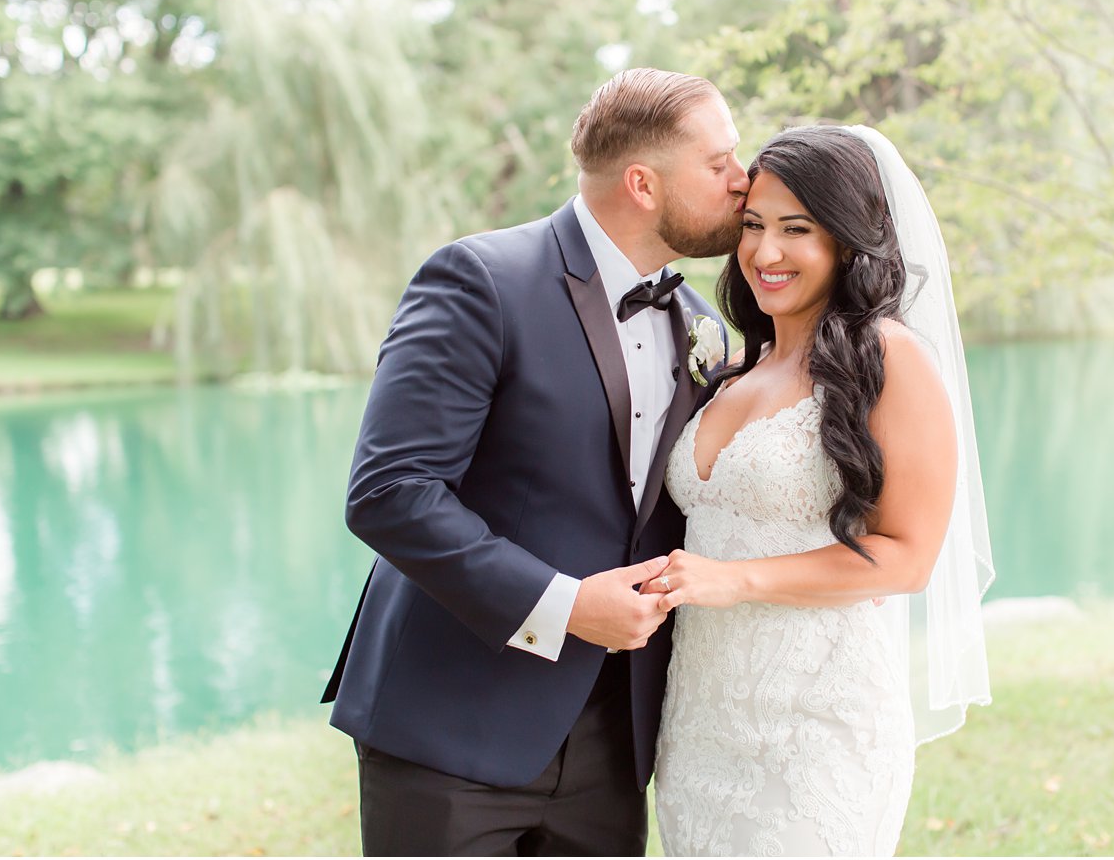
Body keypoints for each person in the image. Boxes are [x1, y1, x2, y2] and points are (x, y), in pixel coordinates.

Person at [320, 67, 748, 856]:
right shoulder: (480, 280)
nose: (742, 178)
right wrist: (562, 604)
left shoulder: (699, 322)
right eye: (719, 161)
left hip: (614, 738)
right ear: (644, 183)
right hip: (450, 726)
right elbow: (390, 491)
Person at [645, 125, 995, 856]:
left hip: (818, 729)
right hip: (703, 721)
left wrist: (735, 580)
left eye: (796, 230)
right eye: (753, 226)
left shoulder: (890, 358)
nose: (765, 253)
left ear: (847, 240)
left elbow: (906, 557)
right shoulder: (743, 366)